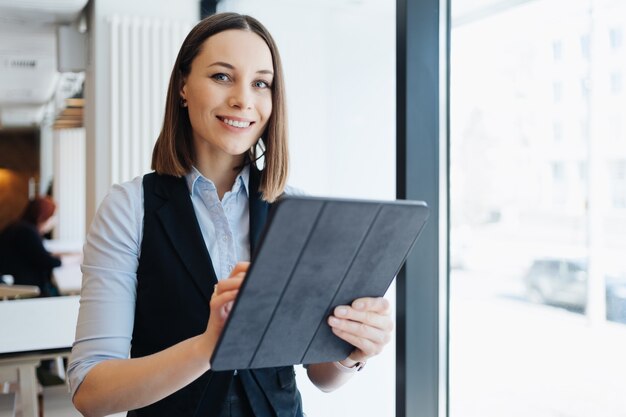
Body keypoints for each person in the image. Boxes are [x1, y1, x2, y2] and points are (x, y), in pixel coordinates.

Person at [68, 12, 393, 417]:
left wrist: (353, 348)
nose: (243, 99)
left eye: (261, 83)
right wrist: (209, 346)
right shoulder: (129, 207)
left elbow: (320, 374)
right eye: (222, 76)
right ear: (183, 86)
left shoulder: (294, 211)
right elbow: (91, 391)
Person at [0, 196, 61, 296]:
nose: (54, 222)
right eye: (52, 217)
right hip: (25, 288)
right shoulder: (27, 232)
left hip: (20, 283)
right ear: (42, 216)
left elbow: (38, 254)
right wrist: (66, 260)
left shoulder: (22, 227)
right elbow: (46, 261)